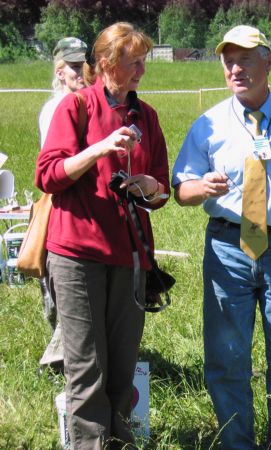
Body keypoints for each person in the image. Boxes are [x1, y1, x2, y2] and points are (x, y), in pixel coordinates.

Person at [172, 25, 271, 449]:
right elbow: (181, 189)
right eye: (228, 59)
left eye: (245, 58)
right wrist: (200, 188)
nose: (235, 68)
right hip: (228, 247)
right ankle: (237, 443)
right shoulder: (207, 124)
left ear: (268, 61)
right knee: (227, 357)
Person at [35, 22, 170, 449]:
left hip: (128, 254)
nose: (141, 72)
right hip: (76, 254)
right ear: (107, 64)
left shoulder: (145, 116)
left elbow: (162, 189)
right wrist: (98, 150)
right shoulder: (76, 107)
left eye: (143, 63)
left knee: (122, 366)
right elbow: (47, 175)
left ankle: (121, 441)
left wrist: (148, 186)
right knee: (87, 368)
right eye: (133, 63)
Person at [37, 36, 88, 373]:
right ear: (59, 71)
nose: (82, 70)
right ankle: (62, 358)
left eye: (85, 63)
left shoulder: (88, 101)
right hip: (64, 206)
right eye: (73, 65)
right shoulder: (59, 108)